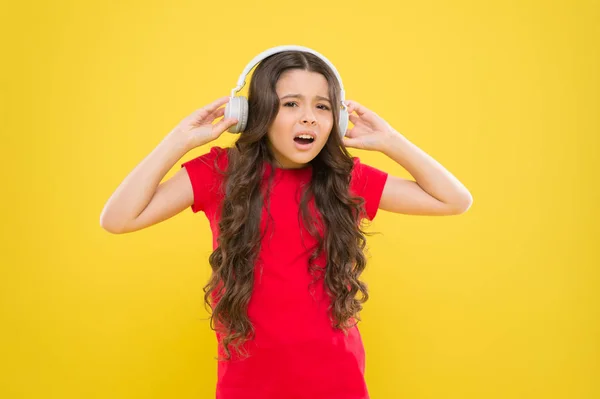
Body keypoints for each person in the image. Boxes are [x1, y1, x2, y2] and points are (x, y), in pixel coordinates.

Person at [100, 46, 473, 399]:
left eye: (322, 106)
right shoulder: (219, 173)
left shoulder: (346, 179)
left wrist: (391, 142)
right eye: (291, 103)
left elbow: (454, 199)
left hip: (336, 381)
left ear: (336, 120)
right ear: (257, 113)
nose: (308, 116)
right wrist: (178, 141)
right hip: (247, 384)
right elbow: (118, 219)